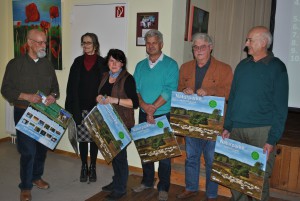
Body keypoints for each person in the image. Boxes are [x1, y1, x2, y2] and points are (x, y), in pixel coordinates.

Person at [221, 26, 289, 201]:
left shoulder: (277, 68)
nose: (246, 43)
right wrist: (228, 126)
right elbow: (233, 98)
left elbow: (281, 107)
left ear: (263, 42)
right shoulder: (242, 66)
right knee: (236, 177)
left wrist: (272, 138)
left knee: (258, 180)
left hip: (262, 132)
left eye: (250, 40)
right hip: (236, 130)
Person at [1, 29, 59, 201]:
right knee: (28, 152)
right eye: (40, 42)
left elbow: (55, 89)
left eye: (45, 42)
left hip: (44, 113)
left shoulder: (47, 64)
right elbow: (5, 89)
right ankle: (25, 187)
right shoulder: (15, 64)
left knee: (41, 150)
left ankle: (36, 177)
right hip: (23, 112)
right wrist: (26, 96)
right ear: (30, 43)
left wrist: (52, 97)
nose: (44, 46)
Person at [176, 33, 233, 200]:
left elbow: (229, 93)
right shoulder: (185, 67)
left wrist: (210, 92)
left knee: (211, 160)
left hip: (213, 124)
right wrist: (183, 91)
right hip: (191, 122)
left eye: (202, 46)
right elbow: (179, 88)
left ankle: (211, 193)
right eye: (195, 47)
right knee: (191, 158)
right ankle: (191, 188)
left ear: (211, 47)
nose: (198, 50)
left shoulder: (224, 68)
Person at [132, 29, 179, 201]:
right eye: (148, 42)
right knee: (146, 150)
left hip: (164, 114)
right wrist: (144, 106)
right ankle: (146, 181)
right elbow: (135, 90)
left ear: (161, 44)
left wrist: (152, 109)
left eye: (154, 42)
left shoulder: (171, 65)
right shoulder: (140, 66)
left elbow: (169, 89)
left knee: (164, 153)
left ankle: (164, 186)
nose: (151, 46)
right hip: (144, 114)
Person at [96, 49, 139, 200]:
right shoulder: (104, 76)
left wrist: (115, 100)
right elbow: (101, 94)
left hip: (122, 123)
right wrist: (99, 97)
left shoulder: (128, 79)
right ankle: (116, 182)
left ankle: (120, 189)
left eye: (117, 61)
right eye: (110, 60)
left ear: (122, 63)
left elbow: (134, 103)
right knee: (113, 155)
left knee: (120, 157)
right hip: (107, 121)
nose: (113, 64)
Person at [65, 33, 107, 183]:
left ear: (95, 44)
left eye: (88, 43)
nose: (85, 45)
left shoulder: (103, 63)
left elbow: (108, 86)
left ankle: (93, 167)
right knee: (83, 140)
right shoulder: (77, 62)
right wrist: (69, 108)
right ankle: (84, 166)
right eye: (83, 43)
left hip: (97, 109)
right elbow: (70, 87)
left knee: (95, 139)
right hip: (80, 107)